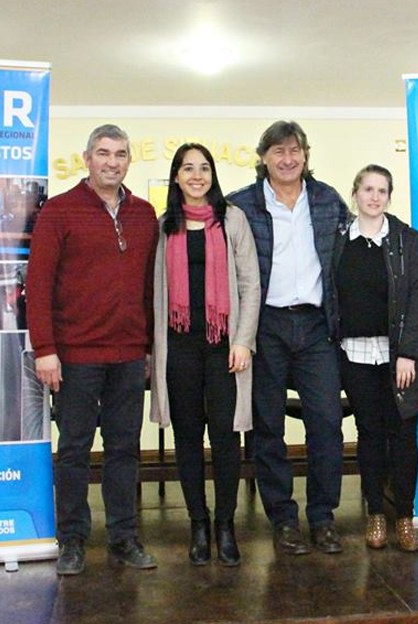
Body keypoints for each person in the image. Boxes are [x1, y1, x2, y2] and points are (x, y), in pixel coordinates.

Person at [27, 124, 159, 576]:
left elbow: (150, 286)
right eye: (103, 153)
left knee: (124, 449)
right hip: (75, 356)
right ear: (87, 158)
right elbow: (38, 285)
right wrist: (45, 349)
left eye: (120, 154)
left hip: (129, 355)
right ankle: (72, 540)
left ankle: (124, 538)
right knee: (75, 451)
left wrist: (149, 347)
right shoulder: (59, 211)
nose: (112, 162)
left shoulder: (144, 214)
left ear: (128, 161)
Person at [226, 121, 348, 555]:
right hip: (265, 326)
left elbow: (349, 260)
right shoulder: (240, 205)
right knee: (268, 426)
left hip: (316, 326)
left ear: (305, 155)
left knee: (327, 422)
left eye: (295, 150)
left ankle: (323, 517)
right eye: (278, 151)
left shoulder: (328, 200)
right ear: (263, 157)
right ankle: (283, 519)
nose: (287, 159)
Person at [149, 144, 260, 567]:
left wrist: (243, 340)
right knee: (188, 436)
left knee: (226, 436)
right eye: (188, 168)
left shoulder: (233, 219)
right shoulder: (165, 225)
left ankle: (225, 524)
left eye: (204, 168)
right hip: (179, 346)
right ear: (176, 177)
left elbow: (250, 284)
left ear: (213, 175)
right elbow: (154, 291)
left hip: (224, 347)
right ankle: (198, 523)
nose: (197, 175)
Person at [332, 165, 418, 553]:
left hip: (399, 358)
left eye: (382, 190)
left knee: (403, 436)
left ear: (389, 197)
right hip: (354, 356)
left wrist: (408, 353)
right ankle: (376, 514)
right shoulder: (338, 240)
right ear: (355, 193)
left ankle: (405, 518)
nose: (374, 197)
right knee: (369, 435)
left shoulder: (406, 240)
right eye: (368, 189)